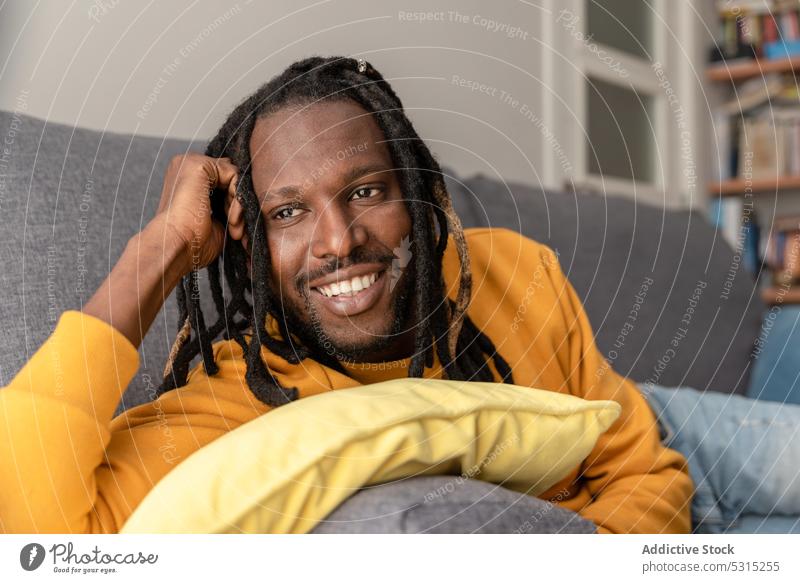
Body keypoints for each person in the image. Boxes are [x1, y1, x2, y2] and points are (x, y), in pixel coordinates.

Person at [0, 55, 788, 535]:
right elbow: (34, 533)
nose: (338, 240)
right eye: (289, 211)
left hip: (652, 414)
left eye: (366, 190)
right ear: (248, 243)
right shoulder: (237, 400)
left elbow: (646, 463)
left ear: (413, 193)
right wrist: (160, 248)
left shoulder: (513, 268)